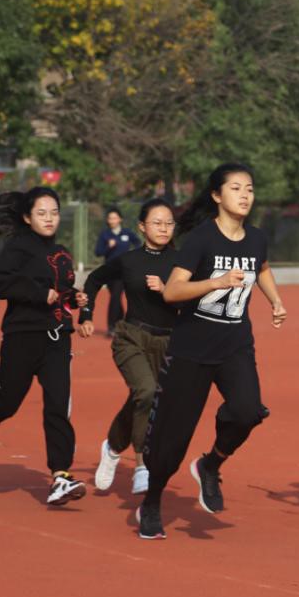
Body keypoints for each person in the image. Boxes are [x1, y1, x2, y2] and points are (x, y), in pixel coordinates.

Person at [134, 163, 287, 539]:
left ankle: (210, 465)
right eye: (236, 188)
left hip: (236, 345)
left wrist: (275, 299)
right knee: (173, 437)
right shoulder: (202, 239)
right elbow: (173, 292)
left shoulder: (256, 238)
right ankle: (152, 500)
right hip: (192, 348)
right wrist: (215, 282)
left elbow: (262, 268)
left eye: (249, 188)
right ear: (217, 195)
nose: (245, 195)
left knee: (248, 411)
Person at [0, 187, 87, 507]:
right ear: (27, 217)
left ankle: (60, 475)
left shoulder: (62, 252)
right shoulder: (17, 247)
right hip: (22, 337)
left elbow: (61, 292)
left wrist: (74, 298)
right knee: (10, 400)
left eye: (54, 212)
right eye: (41, 213)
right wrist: (37, 293)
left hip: (57, 339)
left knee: (58, 405)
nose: (49, 219)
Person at [78, 198, 178, 495]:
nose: (164, 228)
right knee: (146, 392)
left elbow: (196, 298)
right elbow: (94, 280)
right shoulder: (129, 260)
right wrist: (85, 315)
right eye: (157, 223)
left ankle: (111, 446)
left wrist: (168, 290)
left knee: (144, 399)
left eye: (169, 223)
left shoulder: (182, 262)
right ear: (142, 227)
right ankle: (142, 464)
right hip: (131, 337)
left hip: (168, 342)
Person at [94, 207, 139, 335]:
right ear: (108, 220)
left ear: (120, 219)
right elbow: (98, 252)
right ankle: (123, 323)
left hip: (123, 271)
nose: (112, 220)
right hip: (109, 271)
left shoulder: (127, 233)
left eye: (115, 218)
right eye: (110, 218)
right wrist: (108, 247)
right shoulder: (105, 234)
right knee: (116, 298)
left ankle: (112, 326)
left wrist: (133, 254)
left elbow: (137, 243)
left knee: (115, 296)